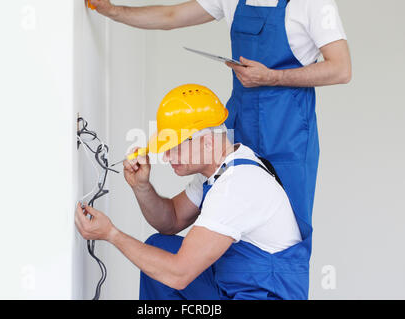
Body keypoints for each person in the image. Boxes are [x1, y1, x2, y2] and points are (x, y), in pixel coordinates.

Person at [86, 0, 352, 264]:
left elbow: (341, 68)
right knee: (224, 210)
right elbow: (170, 15)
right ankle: (232, 282)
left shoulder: (312, 4)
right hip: (242, 119)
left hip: (288, 133)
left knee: (282, 233)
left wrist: (273, 77)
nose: (168, 155)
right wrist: (112, 11)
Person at [75, 84, 313, 299]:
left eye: (174, 147)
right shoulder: (219, 170)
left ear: (207, 142)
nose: (166, 156)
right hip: (234, 285)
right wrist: (142, 186)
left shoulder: (237, 185)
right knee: (160, 246)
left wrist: (111, 234)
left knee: (171, 269)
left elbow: (179, 274)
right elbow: (171, 221)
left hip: (263, 295)